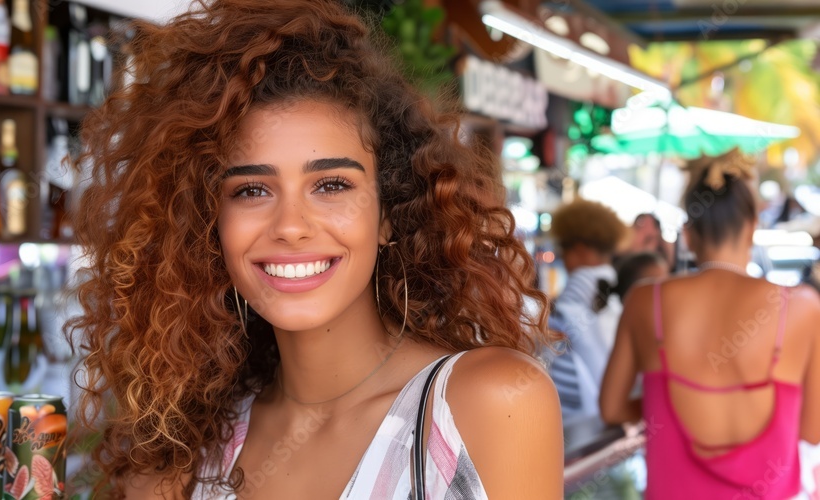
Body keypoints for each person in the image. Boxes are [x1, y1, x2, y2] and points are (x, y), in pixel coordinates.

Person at [67, 1, 563, 498]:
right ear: (208, 227)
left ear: (389, 213)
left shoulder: (485, 405)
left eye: (331, 185)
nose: (290, 227)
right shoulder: (182, 450)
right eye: (251, 190)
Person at [600, 150, 820, 499]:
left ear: (688, 234)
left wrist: (667, 405)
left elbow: (612, 407)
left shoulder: (646, 301)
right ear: (752, 227)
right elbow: (812, 431)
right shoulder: (802, 307)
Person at [544, 199, 627, 420]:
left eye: (563, 250)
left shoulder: (581, 284)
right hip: (605, 406)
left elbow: (550, 332)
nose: (562, 258)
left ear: (580, 250)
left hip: (576, 413)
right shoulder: (613, 282)